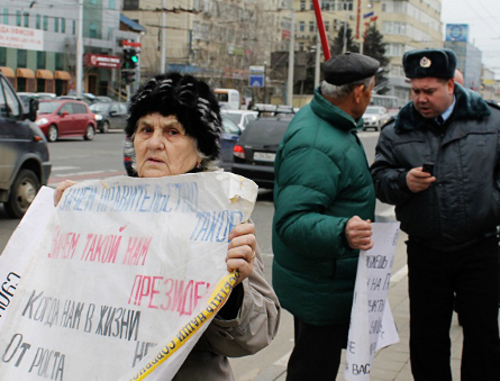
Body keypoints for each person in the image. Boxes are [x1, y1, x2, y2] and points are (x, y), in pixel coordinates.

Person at [54, 72, 280, 381]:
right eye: (145, 129)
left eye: (172, 132)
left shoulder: (222, 219)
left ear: (199, 149)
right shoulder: (102, 211)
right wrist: (64, 223)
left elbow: (257, 333)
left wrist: (233, 292)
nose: (155, 142)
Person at [371, 48, 500, 380]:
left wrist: (491, 204)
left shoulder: (490, 120)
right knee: (427, 339)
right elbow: (380, 181)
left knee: (483, 336)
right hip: (427, 250)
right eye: (415, 90)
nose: (420, 99)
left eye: (429, 91)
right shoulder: (396, 130)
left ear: (450, 87)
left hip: (480, 247)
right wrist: (403, 182)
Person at [272, 52, 381, 380]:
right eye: (372, 89)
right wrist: (342, 232)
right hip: (320, 287)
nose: (371, 95)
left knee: (312, 363)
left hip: (323, 280)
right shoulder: (317, 142)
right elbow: (291, 222)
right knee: (313, 369)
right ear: (358, 93)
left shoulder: (328, 123)